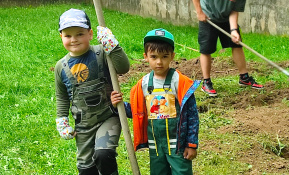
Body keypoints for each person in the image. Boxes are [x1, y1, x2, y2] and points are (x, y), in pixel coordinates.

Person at [112, 28, 200, 175]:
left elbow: (191, 114)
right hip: (156, 145)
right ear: (145, 56)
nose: (159, 62)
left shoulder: (180, 82)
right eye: (154, 57)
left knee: (182, 172)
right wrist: (118, 104)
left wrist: (191, 144)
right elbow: (137, 111)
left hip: (177, 144)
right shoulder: (144, 84)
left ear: (172, 56)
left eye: (164, 56)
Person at [54, 9, 130, 175]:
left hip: (108, 115)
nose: (74, 39)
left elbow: (123, 68)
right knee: (86, 168)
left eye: (80, 34)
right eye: (68, 35)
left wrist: (112, 46)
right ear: (61, 37)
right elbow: (62, 97)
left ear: (90, 34)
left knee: (103, 154)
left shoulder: (100, 53)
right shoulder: (61, 67)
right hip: (84, 125)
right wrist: (62, 119)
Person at [192, 0, 264, 97]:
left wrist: (233, 30)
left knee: (237, 44)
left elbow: (234, 10)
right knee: (206, 49)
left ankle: (244, 78)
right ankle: (206, 82)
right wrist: (199, 12)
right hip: (207, 16)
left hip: (226, 18)